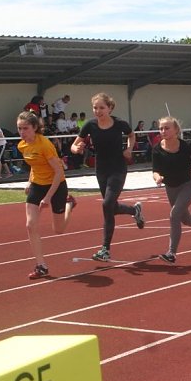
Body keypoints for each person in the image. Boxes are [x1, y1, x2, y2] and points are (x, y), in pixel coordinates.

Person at [70, 92, 144, 262]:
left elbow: (132, 135)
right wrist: (77, 149)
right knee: (110, 207)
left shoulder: (119, 124)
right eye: (95, 108)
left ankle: (105, 249)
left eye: (101, 108)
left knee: (107, 204)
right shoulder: (90, 125)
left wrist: (129, 148)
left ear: (110, 108)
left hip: (118, 168)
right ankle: (134, 210)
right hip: (101, 169)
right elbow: (74, 145)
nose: (98, 111)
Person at [16, 111, 77, 279]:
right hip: (37, 185)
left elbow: (58, 172)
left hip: (56, 185)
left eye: (25, 128)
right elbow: (34, 165)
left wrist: (48, 197)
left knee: (58, 230)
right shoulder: (22, 145)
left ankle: (69, 204)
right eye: (19, 128)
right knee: (30, 225)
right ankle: (41, 265)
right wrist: (30, 181)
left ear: (35, 128)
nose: (22, 132)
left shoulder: (45, 145)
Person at [151, 116, 191, 264]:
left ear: (176, 130)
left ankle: (171, 253)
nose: (163, 131)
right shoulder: (157, 149)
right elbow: (155, 170)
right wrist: (157, 177)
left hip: (187, 186)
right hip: (170, 188)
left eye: (167, 128)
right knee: (185, 219)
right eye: (161, 128)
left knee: (174, 215)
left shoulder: (184, 146)